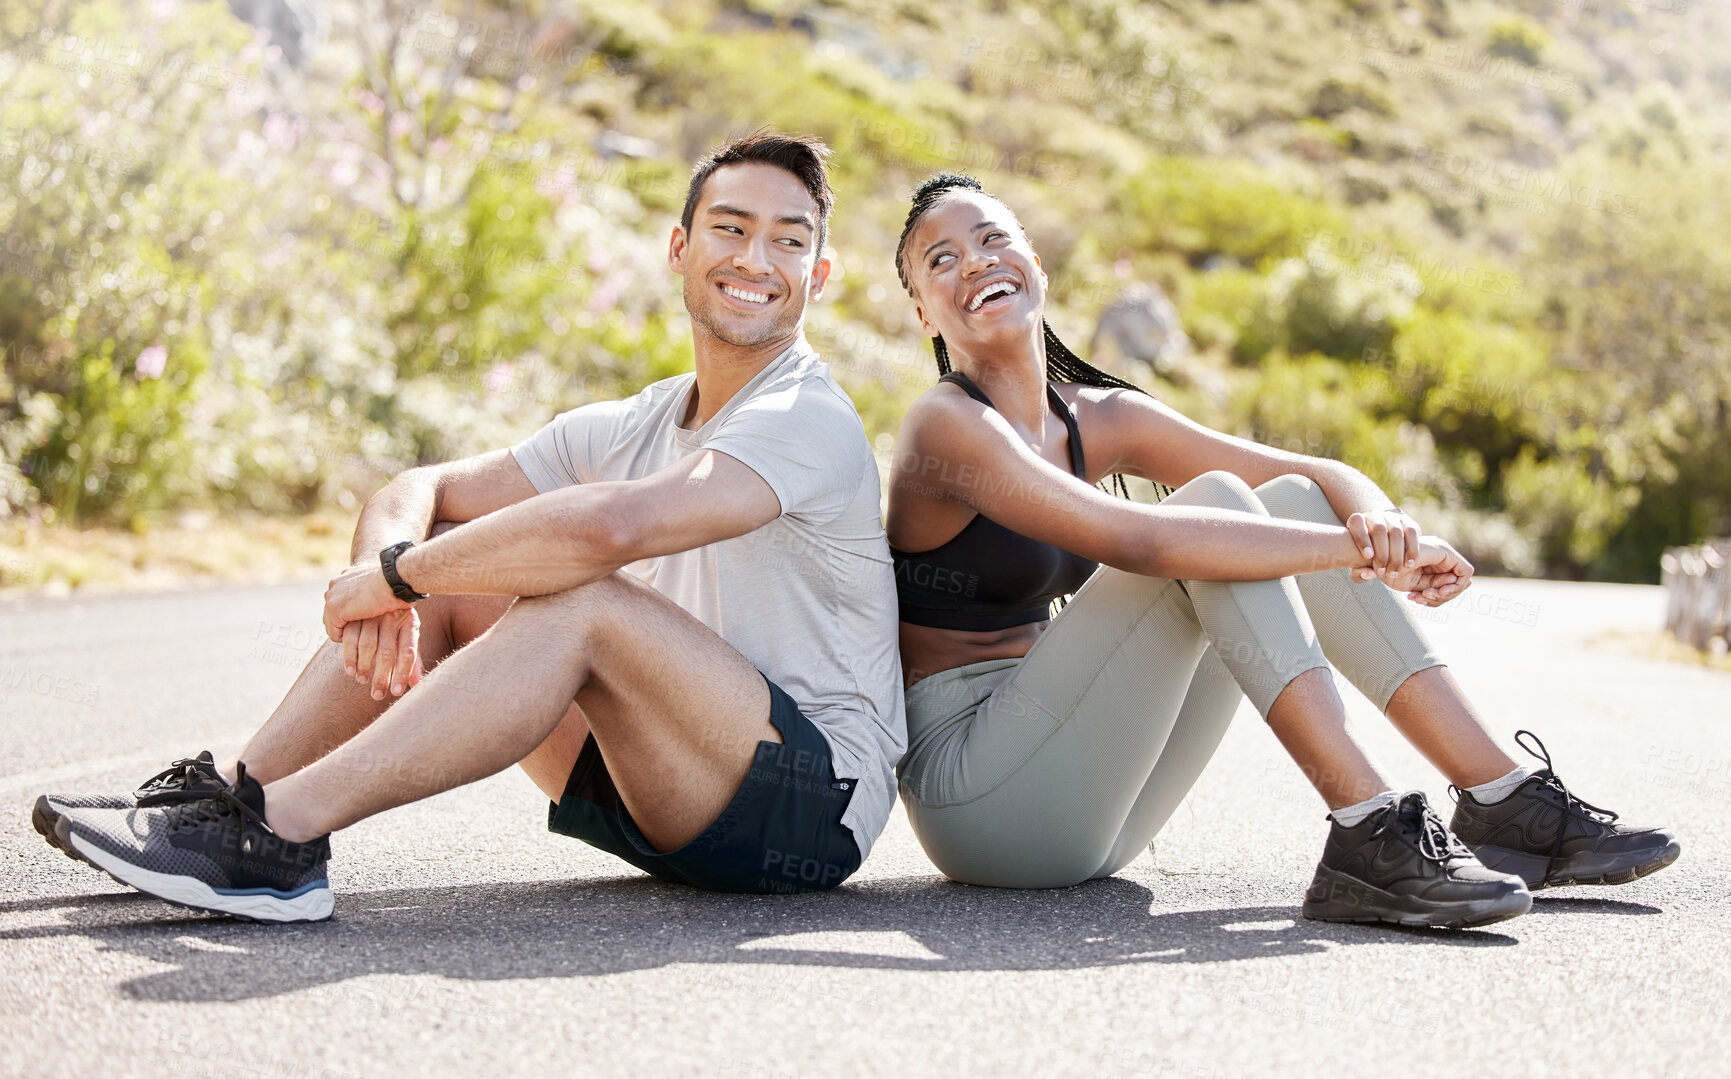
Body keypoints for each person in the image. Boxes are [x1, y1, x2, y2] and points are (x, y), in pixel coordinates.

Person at [33, 131, 905, 922]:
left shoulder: (805, 414)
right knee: (462, 570)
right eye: (730, 228)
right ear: (679, 249)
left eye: (790, 239)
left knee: (580, 599)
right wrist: (389, 579)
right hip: (664, 779)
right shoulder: (642, 418)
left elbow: (616, 526)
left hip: (807, 801)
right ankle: (231, 802)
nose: (757, 257)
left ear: (817, 276)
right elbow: (428, 486)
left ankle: (280, 838)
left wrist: (401, 575)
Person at [884, 172, 1678, 928]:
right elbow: (1139, 537)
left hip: (1092, 811)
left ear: (1036, 265)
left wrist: (1382, 524)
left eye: (992, 238)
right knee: (1215, 514)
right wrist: (1347, 552)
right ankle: (1369, 825)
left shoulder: (1095, 415)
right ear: (923, 312)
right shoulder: (946, 426)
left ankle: (1506, 800)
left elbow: (1316, 474)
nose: (975, 262)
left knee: (1284, 502)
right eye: (940, 259)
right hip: (981, 802)